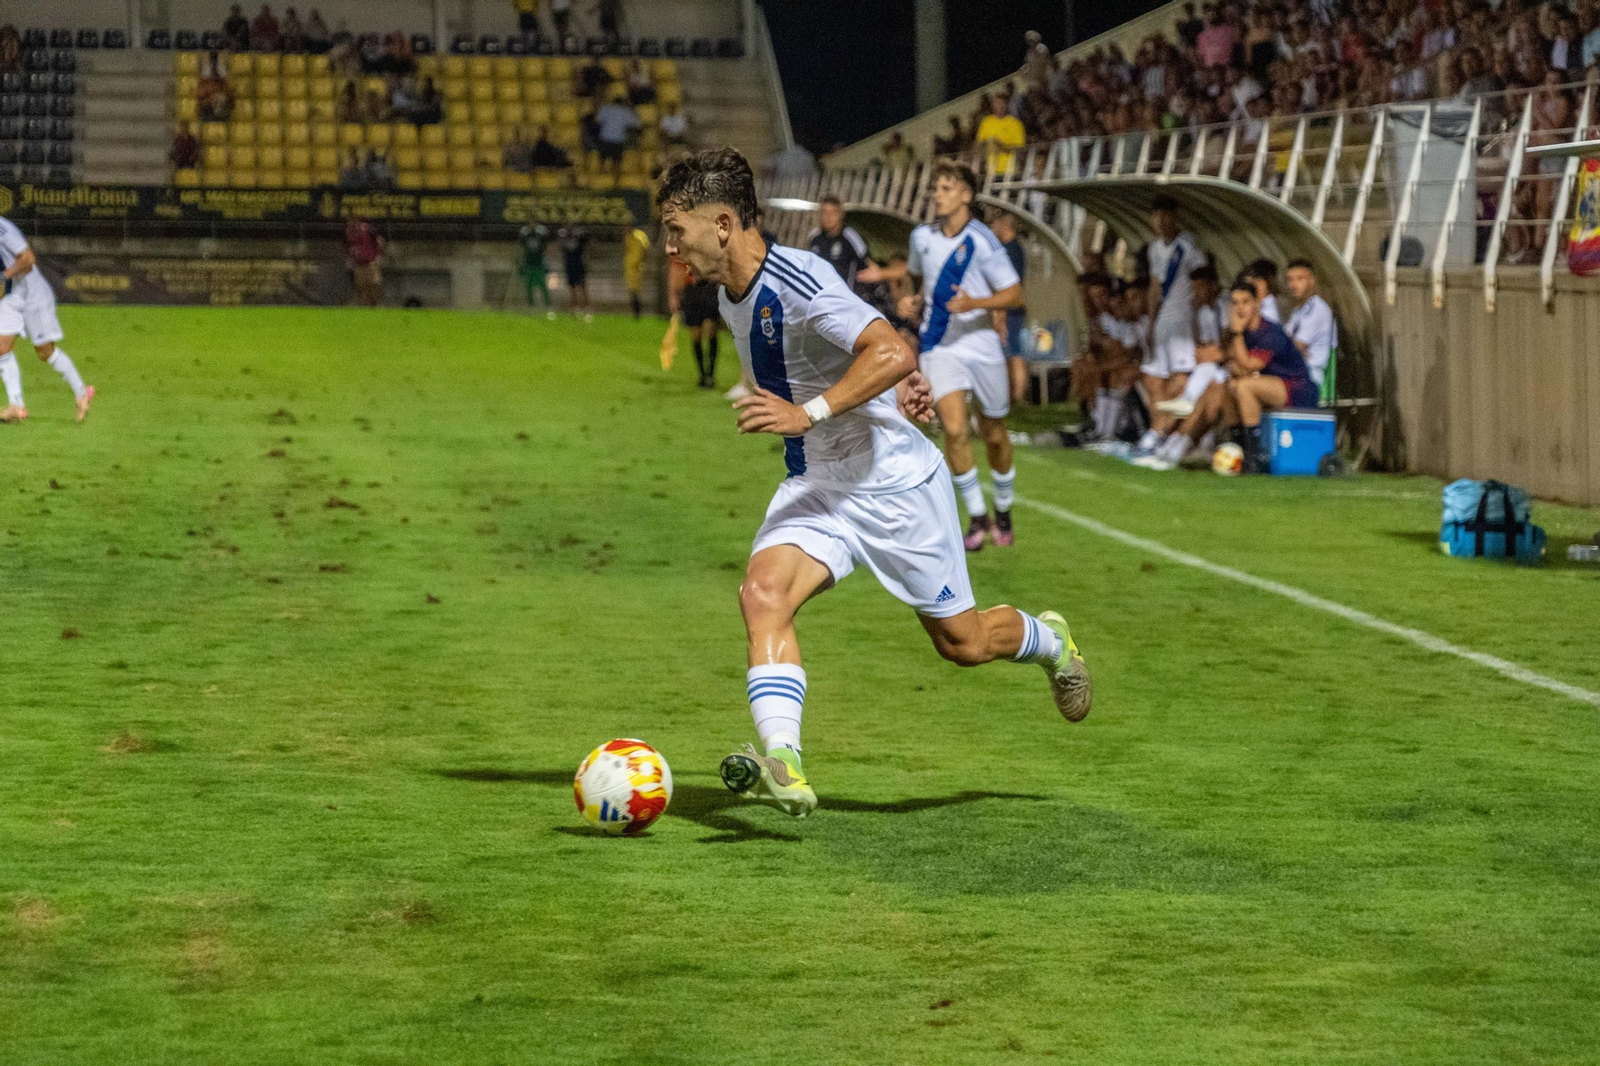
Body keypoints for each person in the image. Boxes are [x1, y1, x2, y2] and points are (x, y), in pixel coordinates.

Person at [655, 148, 1092, 817]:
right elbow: (865, 348)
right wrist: (884, 389)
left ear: (720, 225)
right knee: (762, 593)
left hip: (892, 484)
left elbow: (890, 350)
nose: (668, 246)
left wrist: (817, 409)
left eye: (675, 229)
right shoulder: (728, 295)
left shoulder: (794, 280)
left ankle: (1049, 640)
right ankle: (785, 763)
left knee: (964, 643)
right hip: (819, 483)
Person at [858, 161, 1025, 551]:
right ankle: (977, 516)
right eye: (936, 187)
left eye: (947, 188)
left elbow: (1015, 294)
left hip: (982, 346)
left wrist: (975, 302)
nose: (937, 194)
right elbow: (921, 280)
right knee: (953, 429)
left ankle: (1003, 508)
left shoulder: (983, 241)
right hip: (940, 346)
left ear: (966, 195)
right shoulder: (921, 238)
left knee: (994, 433)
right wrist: (913, 301)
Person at [0, 216, 95, 424]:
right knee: (1, 347)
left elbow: (27, 258)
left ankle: (81, 392)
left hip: (34, 294)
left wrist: (4, 276)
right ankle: (16, 405)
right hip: (12, 295)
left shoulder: (3, 229)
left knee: (45, 352)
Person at [988, 211, 1029, 404]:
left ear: (1005, 225)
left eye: (994, 223)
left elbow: (1008, 286)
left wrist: (1000, 313)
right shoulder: (1014, 249)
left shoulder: (1010, 251)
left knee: (1013, 352)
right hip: (1011, 308)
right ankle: (1013, 397)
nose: (992, 228)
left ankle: (1017, 397)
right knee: (1012, 351)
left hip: (1009, 309)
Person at [1284, 258, 1336, 400]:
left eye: (1300, 279)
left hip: (1311, 376)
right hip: (1296, 371)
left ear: (1312, 281)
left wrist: (1292, 348)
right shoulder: (1298, 311)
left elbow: (1293, 347)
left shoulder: (1317, 309)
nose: (1293, 285)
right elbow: (1282, 342)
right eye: (1290, 280)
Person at [806, 194, 870, 295]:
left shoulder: (850, 236)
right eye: (824, 212)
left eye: (833, 213)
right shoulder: (814, 237)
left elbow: (868, 265)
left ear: (841, 214)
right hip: (819, 294)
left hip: (844, 296)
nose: (828, 217)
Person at [675, 260, 721, 388]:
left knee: (711, 330)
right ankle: (702, 374)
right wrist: (674, 294)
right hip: (692, 290)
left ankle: (711, 374)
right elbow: (677, 266)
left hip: (709, 287)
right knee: (696, 333)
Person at [974, 93, 1025, 176]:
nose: (999, 106)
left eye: (1002, 103)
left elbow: (1020, 148)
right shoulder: (987, 122)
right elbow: (978, 143)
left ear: (1006, 105)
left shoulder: (1016, 123)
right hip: (991, 170)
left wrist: (1002, 146)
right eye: (996, 103)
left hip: (1010, 169)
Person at [344, 215, 384, 307]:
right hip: (358, 264)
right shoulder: (349, 232)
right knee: (361, 287)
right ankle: (363, 307)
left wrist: (379, 255)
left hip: (371, 262)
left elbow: (379, 240)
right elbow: (347, 247)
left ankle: (374, 304)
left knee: (374, 284)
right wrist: (349, 258)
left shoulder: (367, 229)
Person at [593, 95, 639, 175]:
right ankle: (615, 181)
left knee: (602, 161)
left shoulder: (605, 109)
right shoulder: (626, 111)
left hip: (605, 138)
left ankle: (600, 179)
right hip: (618, 139)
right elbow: (636, 124)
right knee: (617, 162)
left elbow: (597, 120)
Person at [517, 222, 551, 313]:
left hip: (539, 264)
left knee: (542, 285)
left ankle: (547, 304)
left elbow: (545, 245)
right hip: (529, 264)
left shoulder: (540, 234)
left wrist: (546, 262)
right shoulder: (525, 235)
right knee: (529, 286)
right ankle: (530, 304)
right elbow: (521, 246)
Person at [560, 225, 590, 320]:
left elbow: (585, 242)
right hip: (569, 266)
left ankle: (586, 309)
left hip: (578, 266)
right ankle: (574, 311)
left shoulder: (579, 237)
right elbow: (561, 247)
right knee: (572, 289)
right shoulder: (564, 237)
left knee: (582, 288)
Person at [622, 224, 649, 319]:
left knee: (636, 290)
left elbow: (644, 249)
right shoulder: (628, 237)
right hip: (629, 267)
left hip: (637, 267)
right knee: (632, 290)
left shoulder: (639, 236)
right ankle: (635, 312)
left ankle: (637, 312)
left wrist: (641, 262)